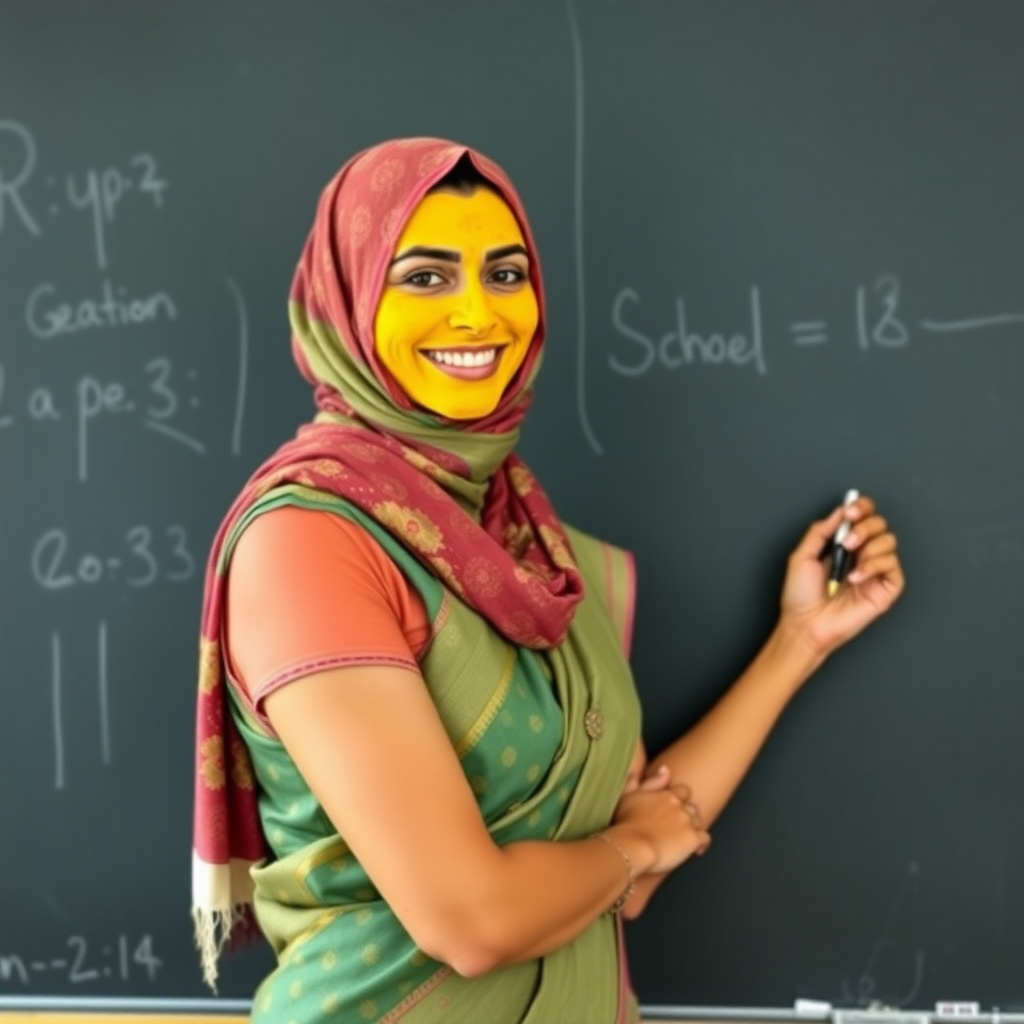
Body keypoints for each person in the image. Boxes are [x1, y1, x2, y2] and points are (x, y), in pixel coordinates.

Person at [191, 137, 904, 1024]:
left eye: (506, 273)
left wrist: (799, 642)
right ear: (346, 299)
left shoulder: (537, 550)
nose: (478, 314)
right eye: (424, 277)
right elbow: (474, 919)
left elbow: (635, 843)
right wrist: (632, 848)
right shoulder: (308, 544)